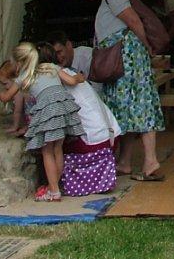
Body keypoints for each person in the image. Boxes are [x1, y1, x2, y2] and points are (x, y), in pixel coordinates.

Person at [68, 0, 166, 181]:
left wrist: (147, 46)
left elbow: (133, 21)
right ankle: (124, 161)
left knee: (140, 105)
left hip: (128, 58)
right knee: (125, 108)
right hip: (123, 58)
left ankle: (151, 162)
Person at [47, 31, 122, 195]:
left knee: (53, 145)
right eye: (55, 54)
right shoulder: (72, 72)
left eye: (59, 52)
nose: (58, 57)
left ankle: (55, 185)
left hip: (97, 141)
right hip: (112, 134)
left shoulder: (58, 79)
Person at [14, 41, 85, 202]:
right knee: (58, 149)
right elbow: (72, 81)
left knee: (47, 151)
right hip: (62, 110)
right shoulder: (52, 68)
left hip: (47, 114)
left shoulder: (25, 76)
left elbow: (6, 96)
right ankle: (55, 187)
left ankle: (53, 191)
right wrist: (80, 77)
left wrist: (4, 88)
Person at [0, 59, 27, 135]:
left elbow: (17, 111)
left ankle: (28, 127)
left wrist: (15, 127)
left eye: (5, 84)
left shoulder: (18, 92)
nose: (4, 87)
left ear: (15, 80)